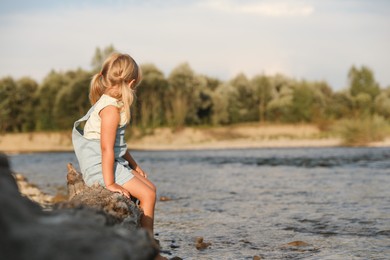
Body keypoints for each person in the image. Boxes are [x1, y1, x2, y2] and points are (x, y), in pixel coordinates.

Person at [72, 53, 162, 252]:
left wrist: (134, 165)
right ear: (130, 84)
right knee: (147, 195)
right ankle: (147, 250)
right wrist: (110, 183)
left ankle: (138, 233)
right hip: (100, 167)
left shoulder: (109, 102)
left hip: (109, 162)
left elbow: (116, 145)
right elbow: (105, 148)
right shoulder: (110, 110)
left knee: (151, 188)